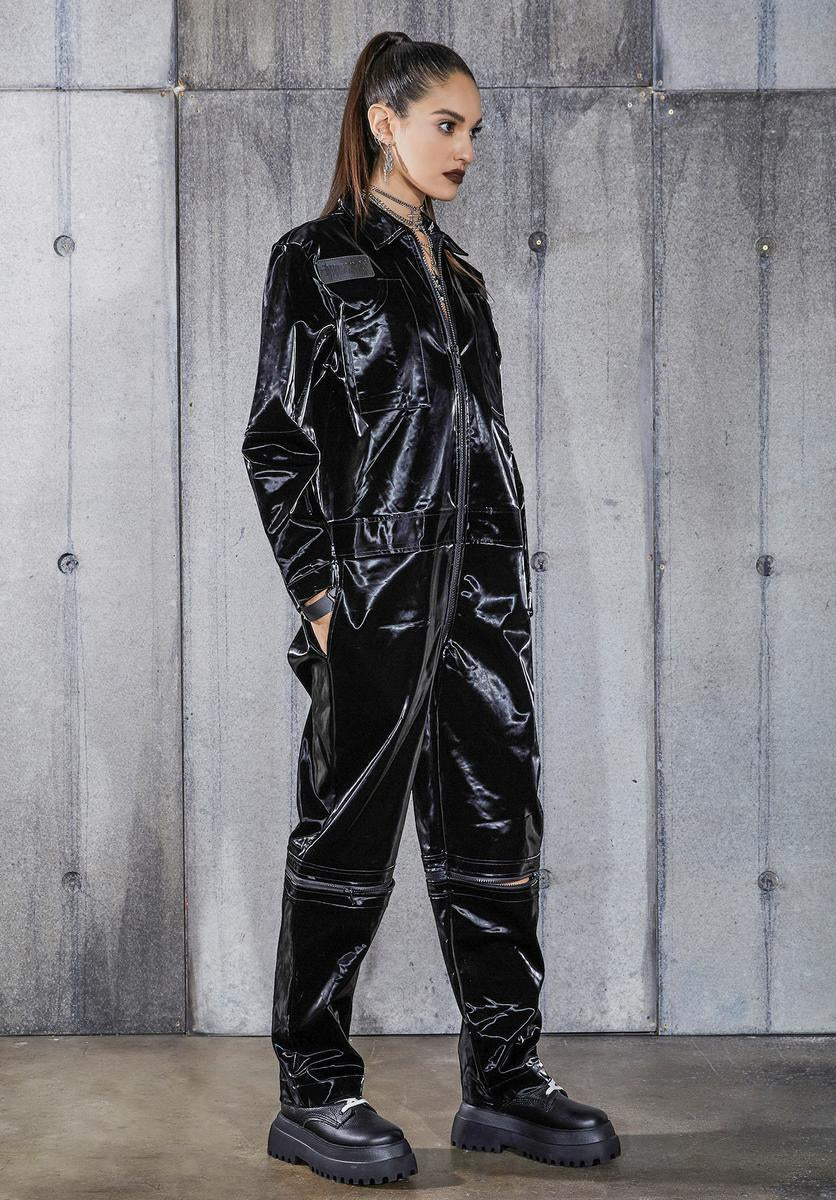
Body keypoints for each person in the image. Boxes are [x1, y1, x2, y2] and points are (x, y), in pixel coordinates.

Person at [242, 30, 621, 1187]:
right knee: (344, 845)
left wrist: (504, 579)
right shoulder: (316, 259)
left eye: (474, 131)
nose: (464, 148)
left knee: (496, 841)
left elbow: (480, 444)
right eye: (446, 124)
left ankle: (504, 1080)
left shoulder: (462, 278)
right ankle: (316, 1091)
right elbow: (277, 442)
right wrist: (322, 594)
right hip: (377, 597)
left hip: (483, 600)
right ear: (385, 122)